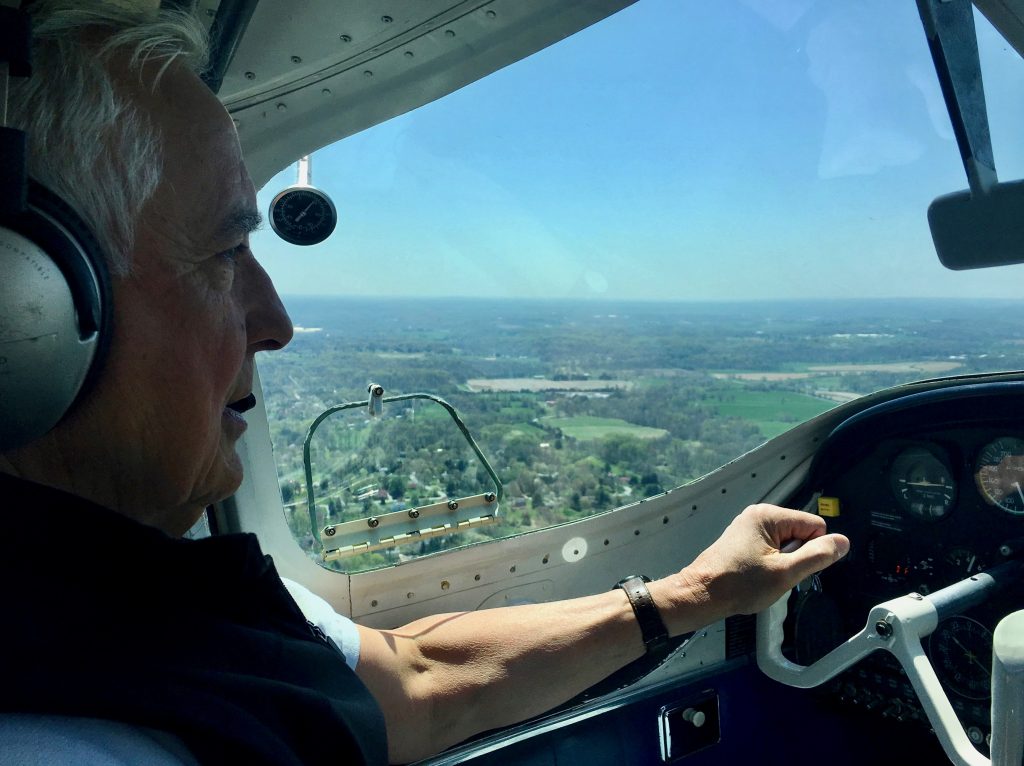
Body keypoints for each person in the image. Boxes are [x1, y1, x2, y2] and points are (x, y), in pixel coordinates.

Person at [0, 3, 850, 765]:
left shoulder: (145, 601)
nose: (278, 321)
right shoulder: (66, 738)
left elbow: (411, 676)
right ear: (25, 303)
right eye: (225, 256)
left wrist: (693, 596)